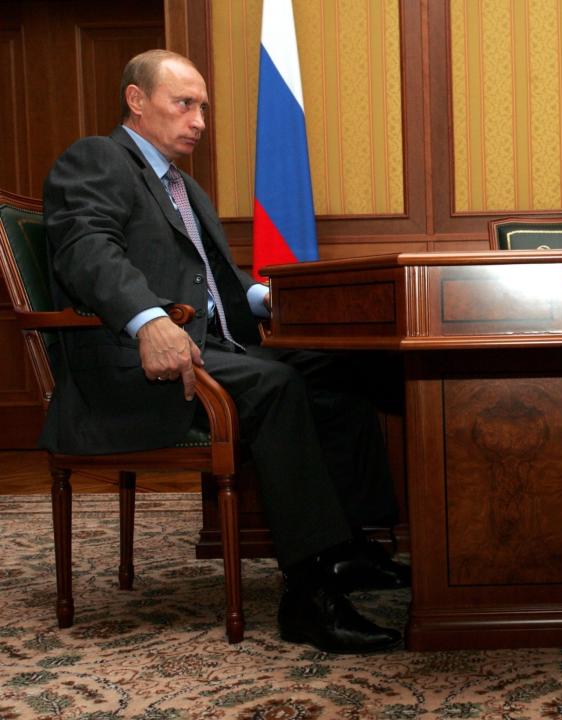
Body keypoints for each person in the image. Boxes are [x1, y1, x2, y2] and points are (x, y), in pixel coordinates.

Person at [42, 49, 408, 653]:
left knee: (342, 370)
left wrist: (273, 300)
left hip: (210, 346)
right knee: (278, 386)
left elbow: (216, 279)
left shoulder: (183, 186)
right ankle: (309, 596)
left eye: (203, 108)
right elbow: (87, 250)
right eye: (184, 104)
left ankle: (350, 551)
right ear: (137, 101)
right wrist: (147, 321)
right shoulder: (100, 159)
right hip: (131, 365)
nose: (199, 120)